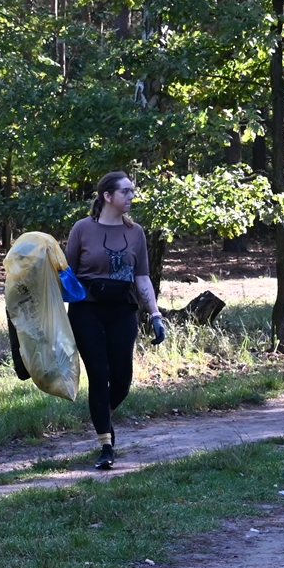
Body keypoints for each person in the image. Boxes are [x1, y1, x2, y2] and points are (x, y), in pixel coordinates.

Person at [64, 171, 166, 470]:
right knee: (99, 374)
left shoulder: (136, 232)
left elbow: (142, 276)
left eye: (132, 191)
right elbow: (66, 273)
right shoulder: (83, 228)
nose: (131, 196)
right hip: (87, 310)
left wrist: (155, 315)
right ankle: (105, 445)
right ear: (107, 196)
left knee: (121, 379)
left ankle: (101, 414)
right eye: (125, 191)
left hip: (123, 309)